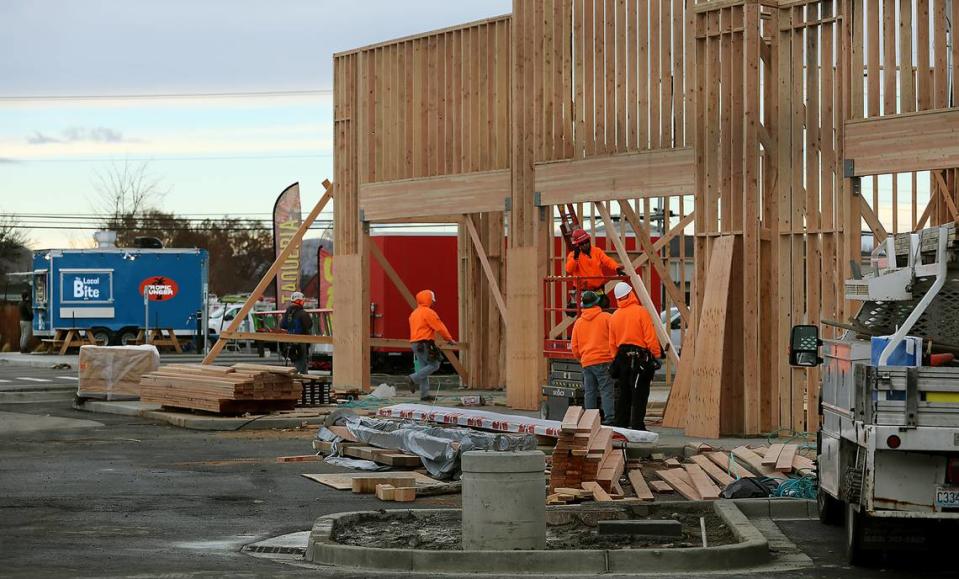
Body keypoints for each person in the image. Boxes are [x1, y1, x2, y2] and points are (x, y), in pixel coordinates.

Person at [608, 282, 662, 431]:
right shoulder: (641, 312)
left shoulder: (615, 316)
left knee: (623, 393)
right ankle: (637, 425)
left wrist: (617, 359)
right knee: (640, 393)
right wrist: (656, 354)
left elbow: (612, 343)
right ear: (631, 294)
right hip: (639, 357)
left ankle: (621, 425)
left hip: (621, 357)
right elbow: (649, 336)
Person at [570, 291, 616, 425]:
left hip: (587, 361)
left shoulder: (578, 323)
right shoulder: (607, 317)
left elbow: (574, 346)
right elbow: (615, 338)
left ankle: (590, 420)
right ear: (597, 302)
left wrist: (581, 358)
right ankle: (609, 418)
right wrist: (613, 356)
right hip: (604, 360)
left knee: (589, 392)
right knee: (606, 390)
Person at [408, 289, 455, 402]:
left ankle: (424, 395)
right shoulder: (428, 312)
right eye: (432, 300)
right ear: (428, 300)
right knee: (435, 365)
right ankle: (412, 378)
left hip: (415, 344)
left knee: (424, 368)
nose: (433, 302)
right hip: (424, 343)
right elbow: (439, 327)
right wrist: (449, 339)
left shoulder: (414, 313)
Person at [564, 228, 624, 308]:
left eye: (586, 241)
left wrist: (617, 268)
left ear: (589, 240)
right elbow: (569, 269)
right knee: (574, 311)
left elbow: (607, 260)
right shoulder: (573, 255)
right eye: (582, 243)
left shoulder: (597, 251)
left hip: (597, 289)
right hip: (582, 290)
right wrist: (575, 258)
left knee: (604, 306)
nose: (585, 244)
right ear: (578, 245)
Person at [279, 291, 313, 374]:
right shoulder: (303, 313)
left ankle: (295, 379)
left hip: (289, 342)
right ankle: (301, 383)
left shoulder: (287, 313)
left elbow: (282, 325)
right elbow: (309, 325)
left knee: (294, 362)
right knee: (302, 365)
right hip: (301, 342)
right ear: (300, 301)